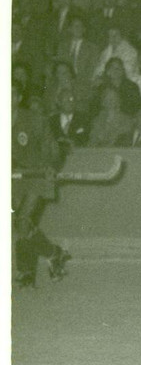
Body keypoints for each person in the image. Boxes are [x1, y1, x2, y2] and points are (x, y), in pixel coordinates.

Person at [12, 79, 72, 288]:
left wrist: (51, 167)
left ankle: (27, 270)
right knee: (18, 223)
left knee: (22, 220)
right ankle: (50, 257)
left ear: (18, 98)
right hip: (16, 177)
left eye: (12, 95)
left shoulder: (34, 119)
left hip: (38, 175)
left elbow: (53, 149)